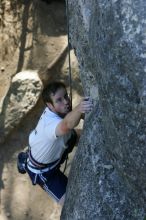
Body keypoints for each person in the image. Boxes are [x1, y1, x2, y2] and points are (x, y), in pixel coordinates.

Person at [26, 81, 93, 205]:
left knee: (73, 135)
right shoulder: (50, 124)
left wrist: (81, 111)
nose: (66, 101)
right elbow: (67, 124)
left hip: (54, 150)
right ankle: (26, 161)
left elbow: (73, 118)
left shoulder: (59, 110)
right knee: (70, 202)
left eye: (66, 96)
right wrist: (79, 108)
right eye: (59, 100)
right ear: (49, 106)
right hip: (44, 172)